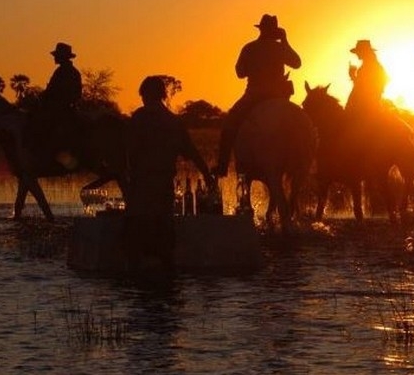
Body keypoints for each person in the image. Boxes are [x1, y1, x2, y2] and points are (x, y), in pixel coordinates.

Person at [123, 75, 214, 270]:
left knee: (138, 229)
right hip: (164, 183)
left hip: (141, 184)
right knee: (163, 227)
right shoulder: (173, 121)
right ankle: (166, 274)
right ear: (163, 95)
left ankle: (139, 275)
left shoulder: (138, 118)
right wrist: (206, 174)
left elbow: (128, 152)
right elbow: (193, 153)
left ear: (145, 95)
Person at [214, 14, 301, 177]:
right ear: (275, 32)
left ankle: (222, 167)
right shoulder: (280, 48)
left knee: (230, 124)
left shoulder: (249, 48)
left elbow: (240, 72)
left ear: (261, 29)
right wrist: (285, 41)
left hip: (254, 96)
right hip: (278, 97)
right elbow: (297, 63)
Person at [29, 42, 83, 157]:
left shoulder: (62, 72)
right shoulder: (72, 72)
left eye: (57, 55)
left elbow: (52, 91)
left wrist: (44, 99)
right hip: (66, 107)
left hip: (60, 109)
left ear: (62, 57)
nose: (55, 57)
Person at [345, 39, 389, 121]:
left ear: (364, 52)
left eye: (359, 51)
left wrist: (353, 76)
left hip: (366, 107)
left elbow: (363, 87)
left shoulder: (371, 66)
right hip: (364, 105)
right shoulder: (371, 64)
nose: (357, 54)